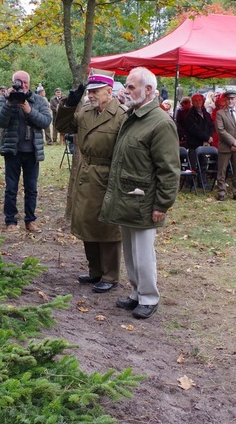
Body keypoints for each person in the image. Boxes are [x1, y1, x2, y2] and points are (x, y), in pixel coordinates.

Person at [99, 67, 179, 319]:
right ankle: (136, 293)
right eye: (126, 85)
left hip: (144, 199)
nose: (126, 90)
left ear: (148, 90)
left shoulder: (161, 122)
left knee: (143, 253)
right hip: (127, 196)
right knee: (132, 252)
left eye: (131, 86)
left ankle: (148, 297)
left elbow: (169, 170)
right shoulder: (133, 116)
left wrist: (162, 204)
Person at [55, 72, 126, 293]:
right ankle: (95, 270)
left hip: (108, 174)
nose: (91, 94)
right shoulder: (85, 111)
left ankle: (110, 275)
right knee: (88, 223)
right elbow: (63, 127)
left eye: (95, 91)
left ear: (109, 91)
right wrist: (70, 104)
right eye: (89, 91)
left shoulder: (121, 115)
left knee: (108, 226)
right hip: (86, 174)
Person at [0, 70, 52, 232]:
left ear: (29, 83)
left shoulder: (39, 100)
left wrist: (29, 110)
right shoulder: (4, 99)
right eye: (19, 82)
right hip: (12, 151)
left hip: (32, 152)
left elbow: (46, 122)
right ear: (14, 83)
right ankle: (10, 221)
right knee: (11, 188)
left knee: (31, 188)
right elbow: (0, 122)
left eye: (25, 82)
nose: (22, 85)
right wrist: (9, 104)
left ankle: (30, 220)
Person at [215, 90, 236, 201]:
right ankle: (221, 193)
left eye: (232, 99)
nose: (230, 101)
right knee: (222, 171)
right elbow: (220, 130)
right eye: (228, 98)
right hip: (225, 146)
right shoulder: (220, 113)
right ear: (225, 100)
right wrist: (233, 142)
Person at [183, 93, 214, 169]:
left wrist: (209, 137)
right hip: (194, 144)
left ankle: (202, 180)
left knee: (203, 164)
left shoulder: (206, 114)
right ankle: (191, 181)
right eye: (195, 100)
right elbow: (195, 130)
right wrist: (206, 137)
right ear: (192, 102)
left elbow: (211, 126)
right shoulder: (189, 115)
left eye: (200, 100)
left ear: (203, 101)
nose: (198, 102)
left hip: (205, 143)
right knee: (192, 166)